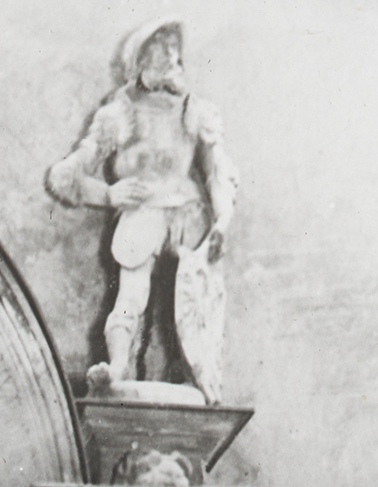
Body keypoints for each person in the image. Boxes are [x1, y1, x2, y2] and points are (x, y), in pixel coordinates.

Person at [46, 18, 237, 401]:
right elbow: (65, 176)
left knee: (192, 303)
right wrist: (108, 195)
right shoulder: (119, 113)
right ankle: (118, 366)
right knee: (131, 296)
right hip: (141, 212)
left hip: (189, 216)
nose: (171, 55)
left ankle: (197, 376)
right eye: (161, 46)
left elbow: (218, 171)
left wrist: (222, 221)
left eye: (174, 47)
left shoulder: (195, 111)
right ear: (141, 57)